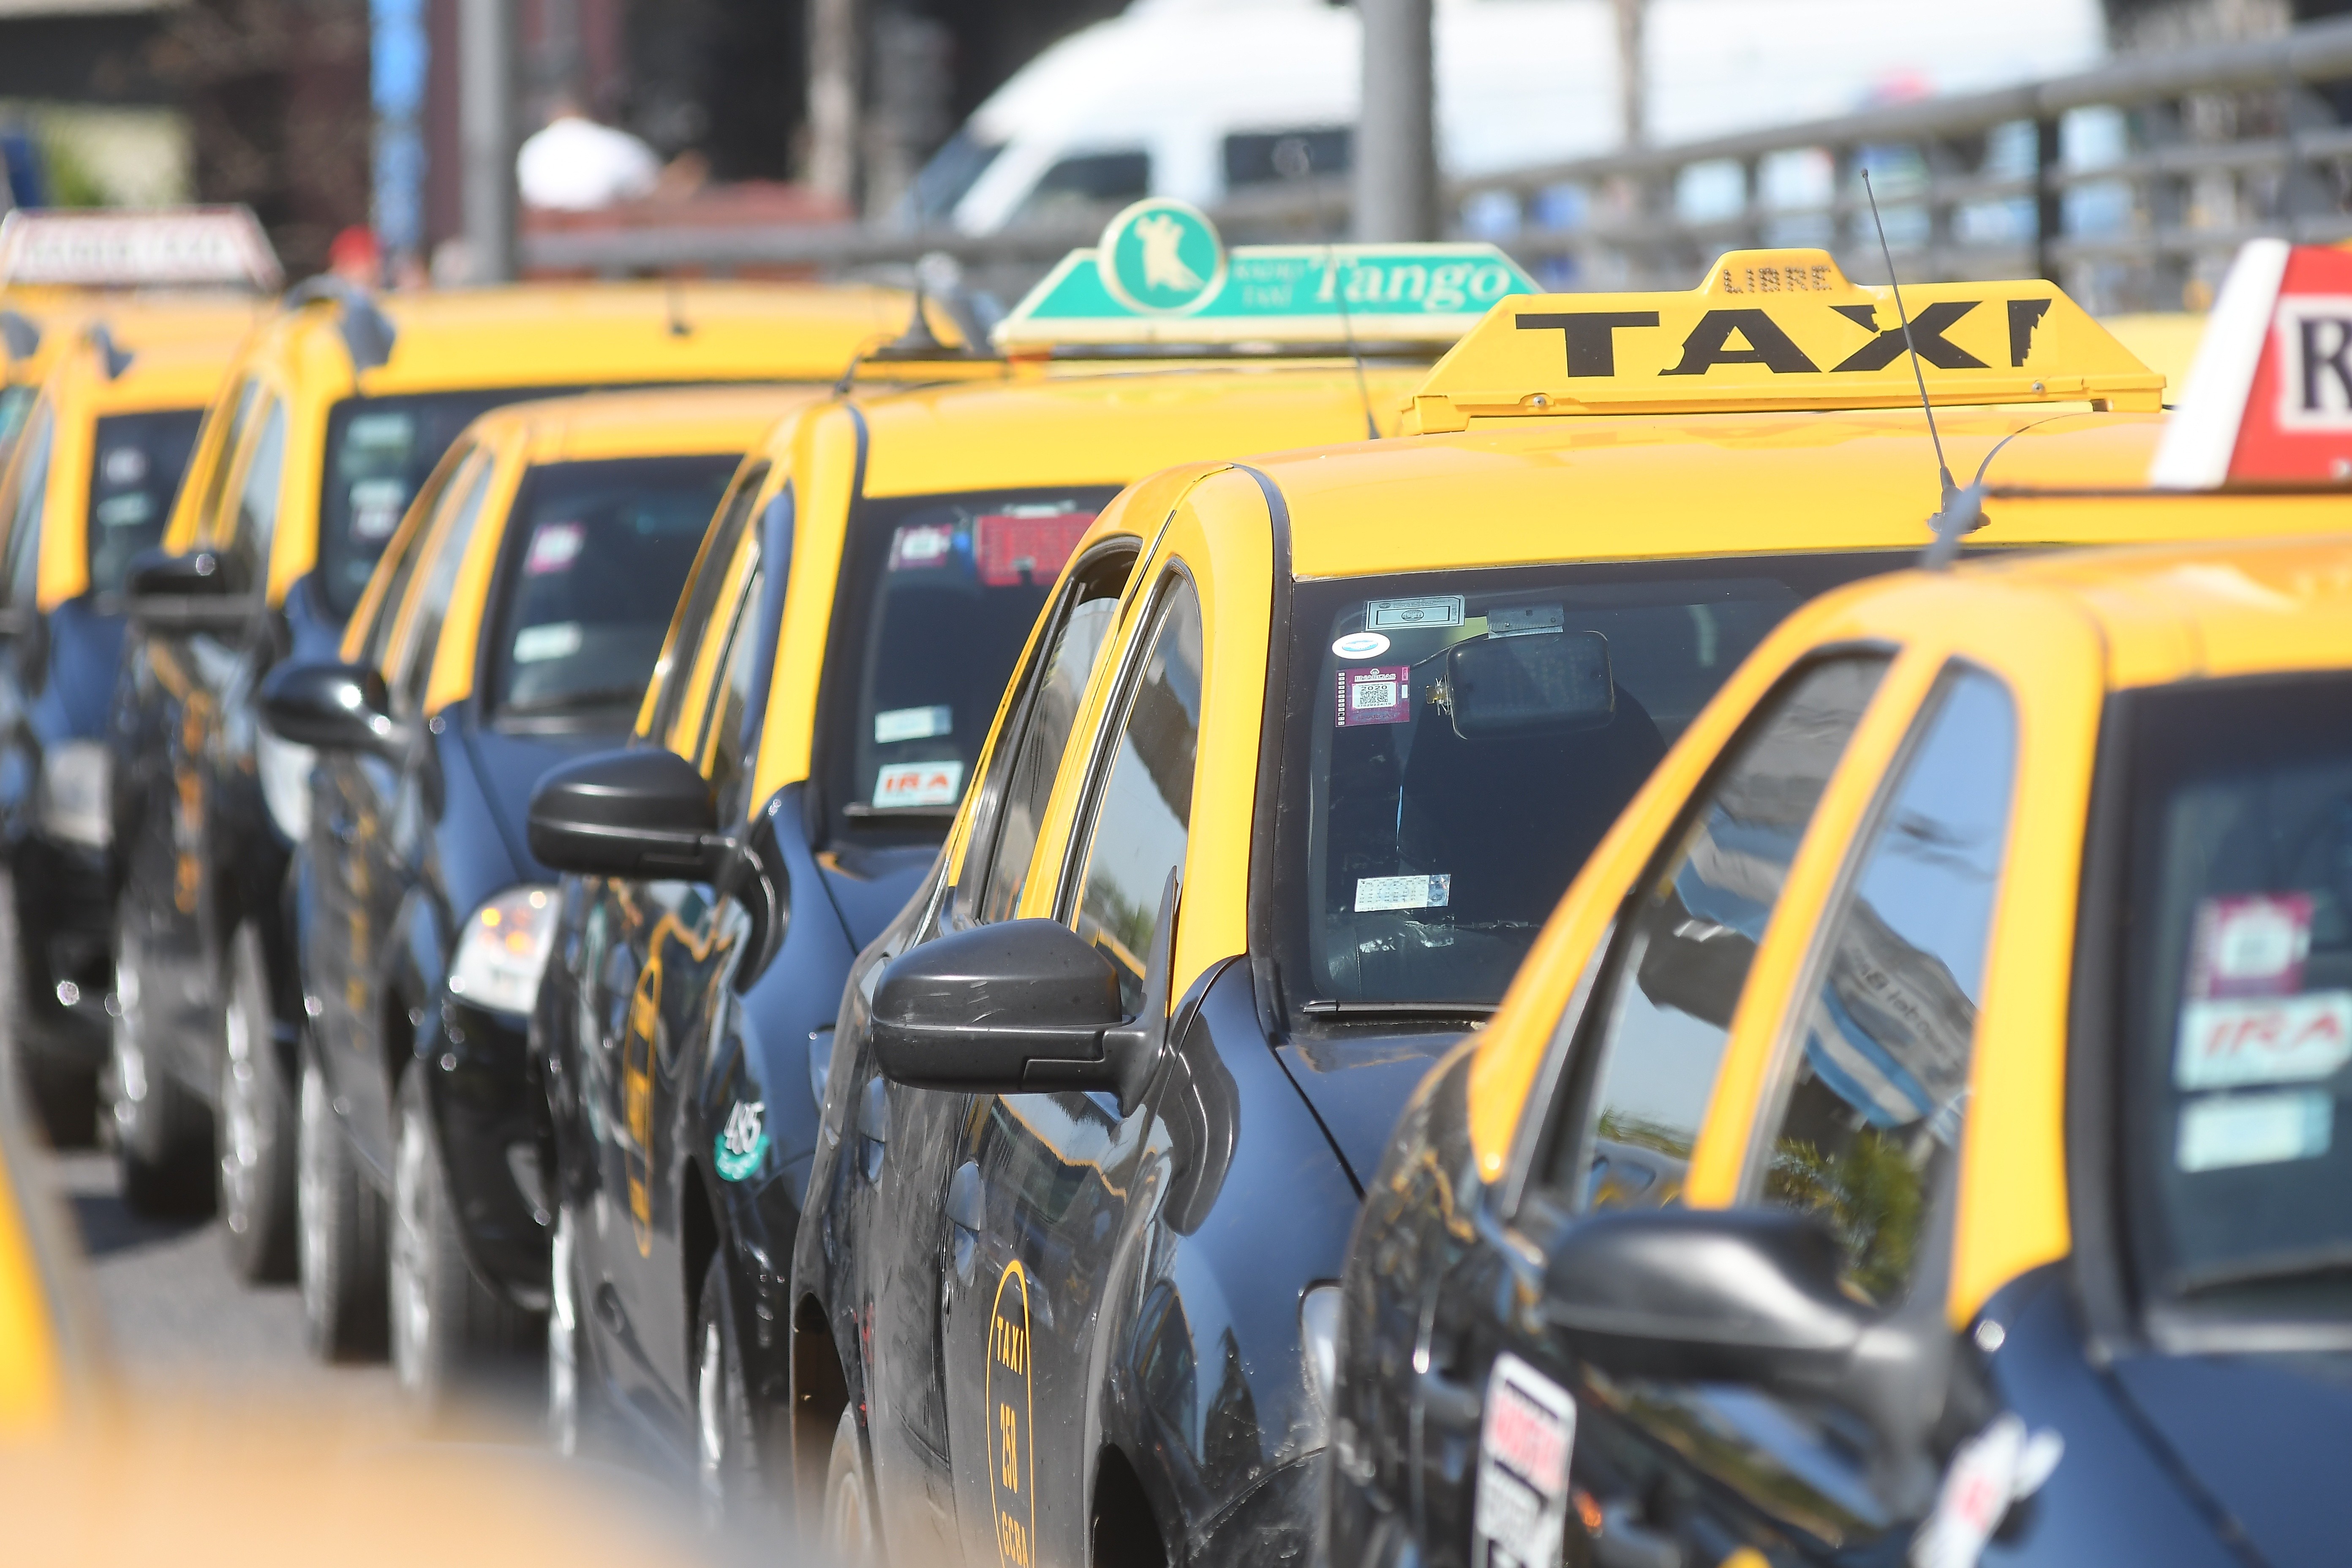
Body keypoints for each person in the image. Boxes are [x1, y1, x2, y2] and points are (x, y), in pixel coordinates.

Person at [517, 94, 661, 211]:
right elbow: (649, 180)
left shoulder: (533, 147)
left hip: (544, 231)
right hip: (609, 226)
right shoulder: (612, 143)